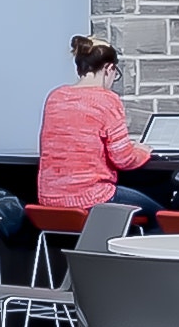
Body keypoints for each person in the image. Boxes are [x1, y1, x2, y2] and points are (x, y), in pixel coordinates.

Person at [37, 35, 164, 220]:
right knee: (163, 215)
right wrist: (143, 151)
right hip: (91, 198)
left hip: (49, 200)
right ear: (109, 68)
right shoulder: (106, 100)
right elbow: (124, 159)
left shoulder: (55, 97)